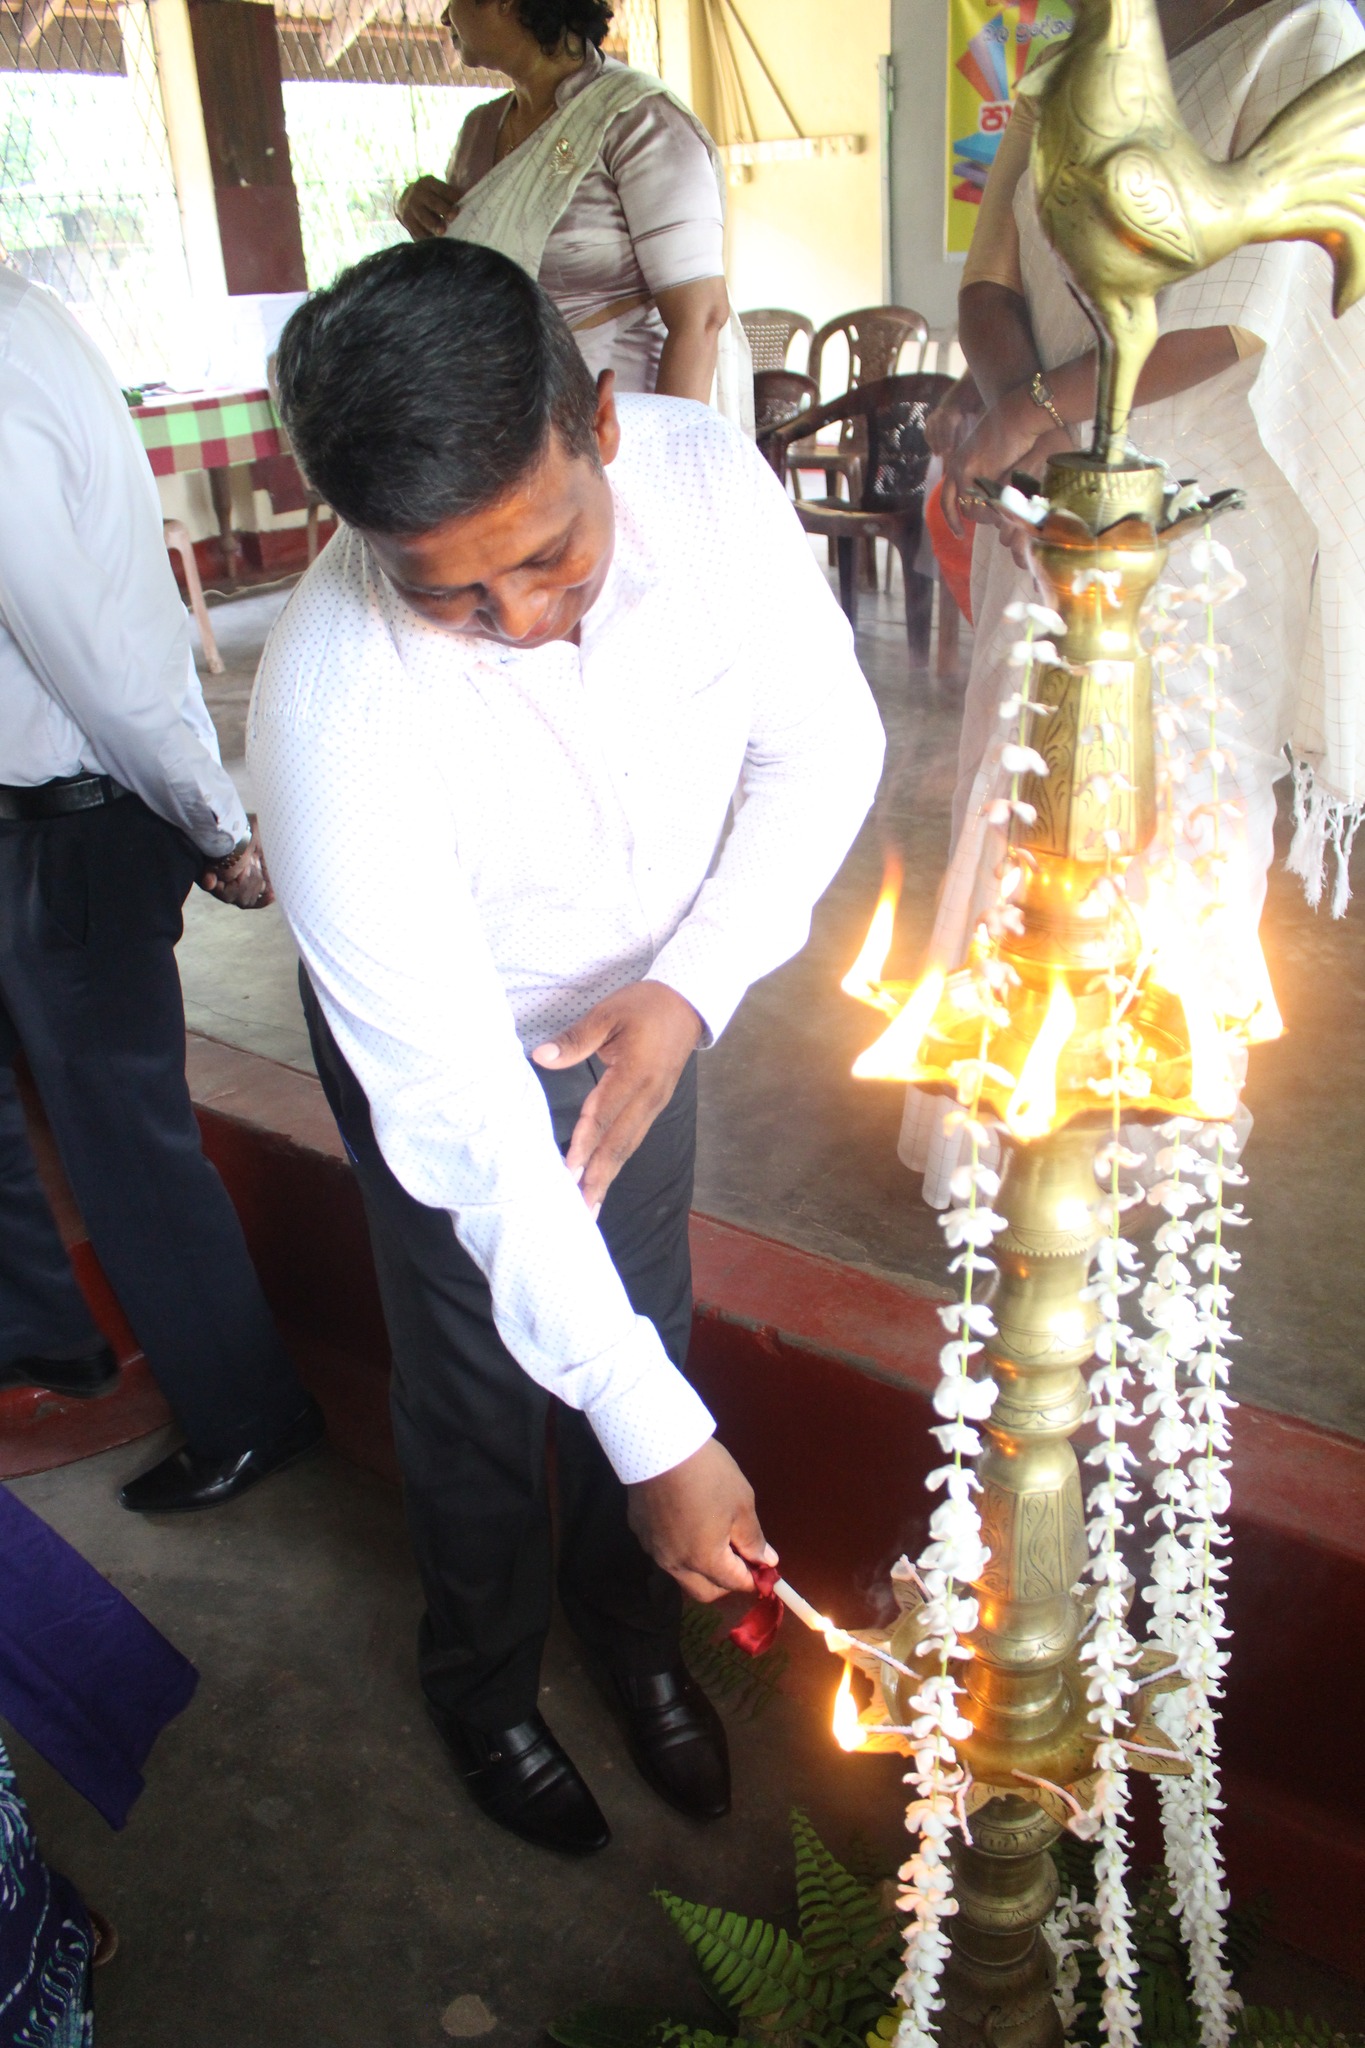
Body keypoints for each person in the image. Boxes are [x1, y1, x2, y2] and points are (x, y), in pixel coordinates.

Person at [251, 238, 884, 1855]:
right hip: (455, 1042)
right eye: (451, 591)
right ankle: (482, 1682)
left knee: (641, 1308)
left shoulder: (705, 478)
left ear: (599, 421)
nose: (523, 619)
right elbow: (463, 1112)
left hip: (653, 999)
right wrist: (663, 1437)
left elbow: (823, 745)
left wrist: (690, 991)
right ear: (360, 531)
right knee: (477, 1370)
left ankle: (631, 1634)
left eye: (549, 557)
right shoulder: (329, 709)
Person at [900, 0, 1365, 1204]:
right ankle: (1010, 1119)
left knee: (1177, 798)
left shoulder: (1304, 35)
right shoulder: (1067, 59)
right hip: (1048, 491)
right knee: (1023, 784)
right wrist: (1027, 417)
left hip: (1200, 508)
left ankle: (1138, 1140)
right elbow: (988, 280)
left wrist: (1035, 412)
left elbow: (1249, 313)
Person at [0, 267, 322, 1511]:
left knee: (125, 1140)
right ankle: (47, 1338)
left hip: (75, 821)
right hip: (42, 811)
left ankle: (250, 1414)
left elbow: (98, 648)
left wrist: (214, 821)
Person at [396, 0, 750, 421]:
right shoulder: (479, 130)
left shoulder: (638, 119)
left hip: (617, 426)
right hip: (503, 422)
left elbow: (701, 317)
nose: (444, 17)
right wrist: (417, 211)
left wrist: (665, 447)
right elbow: (476, 271)